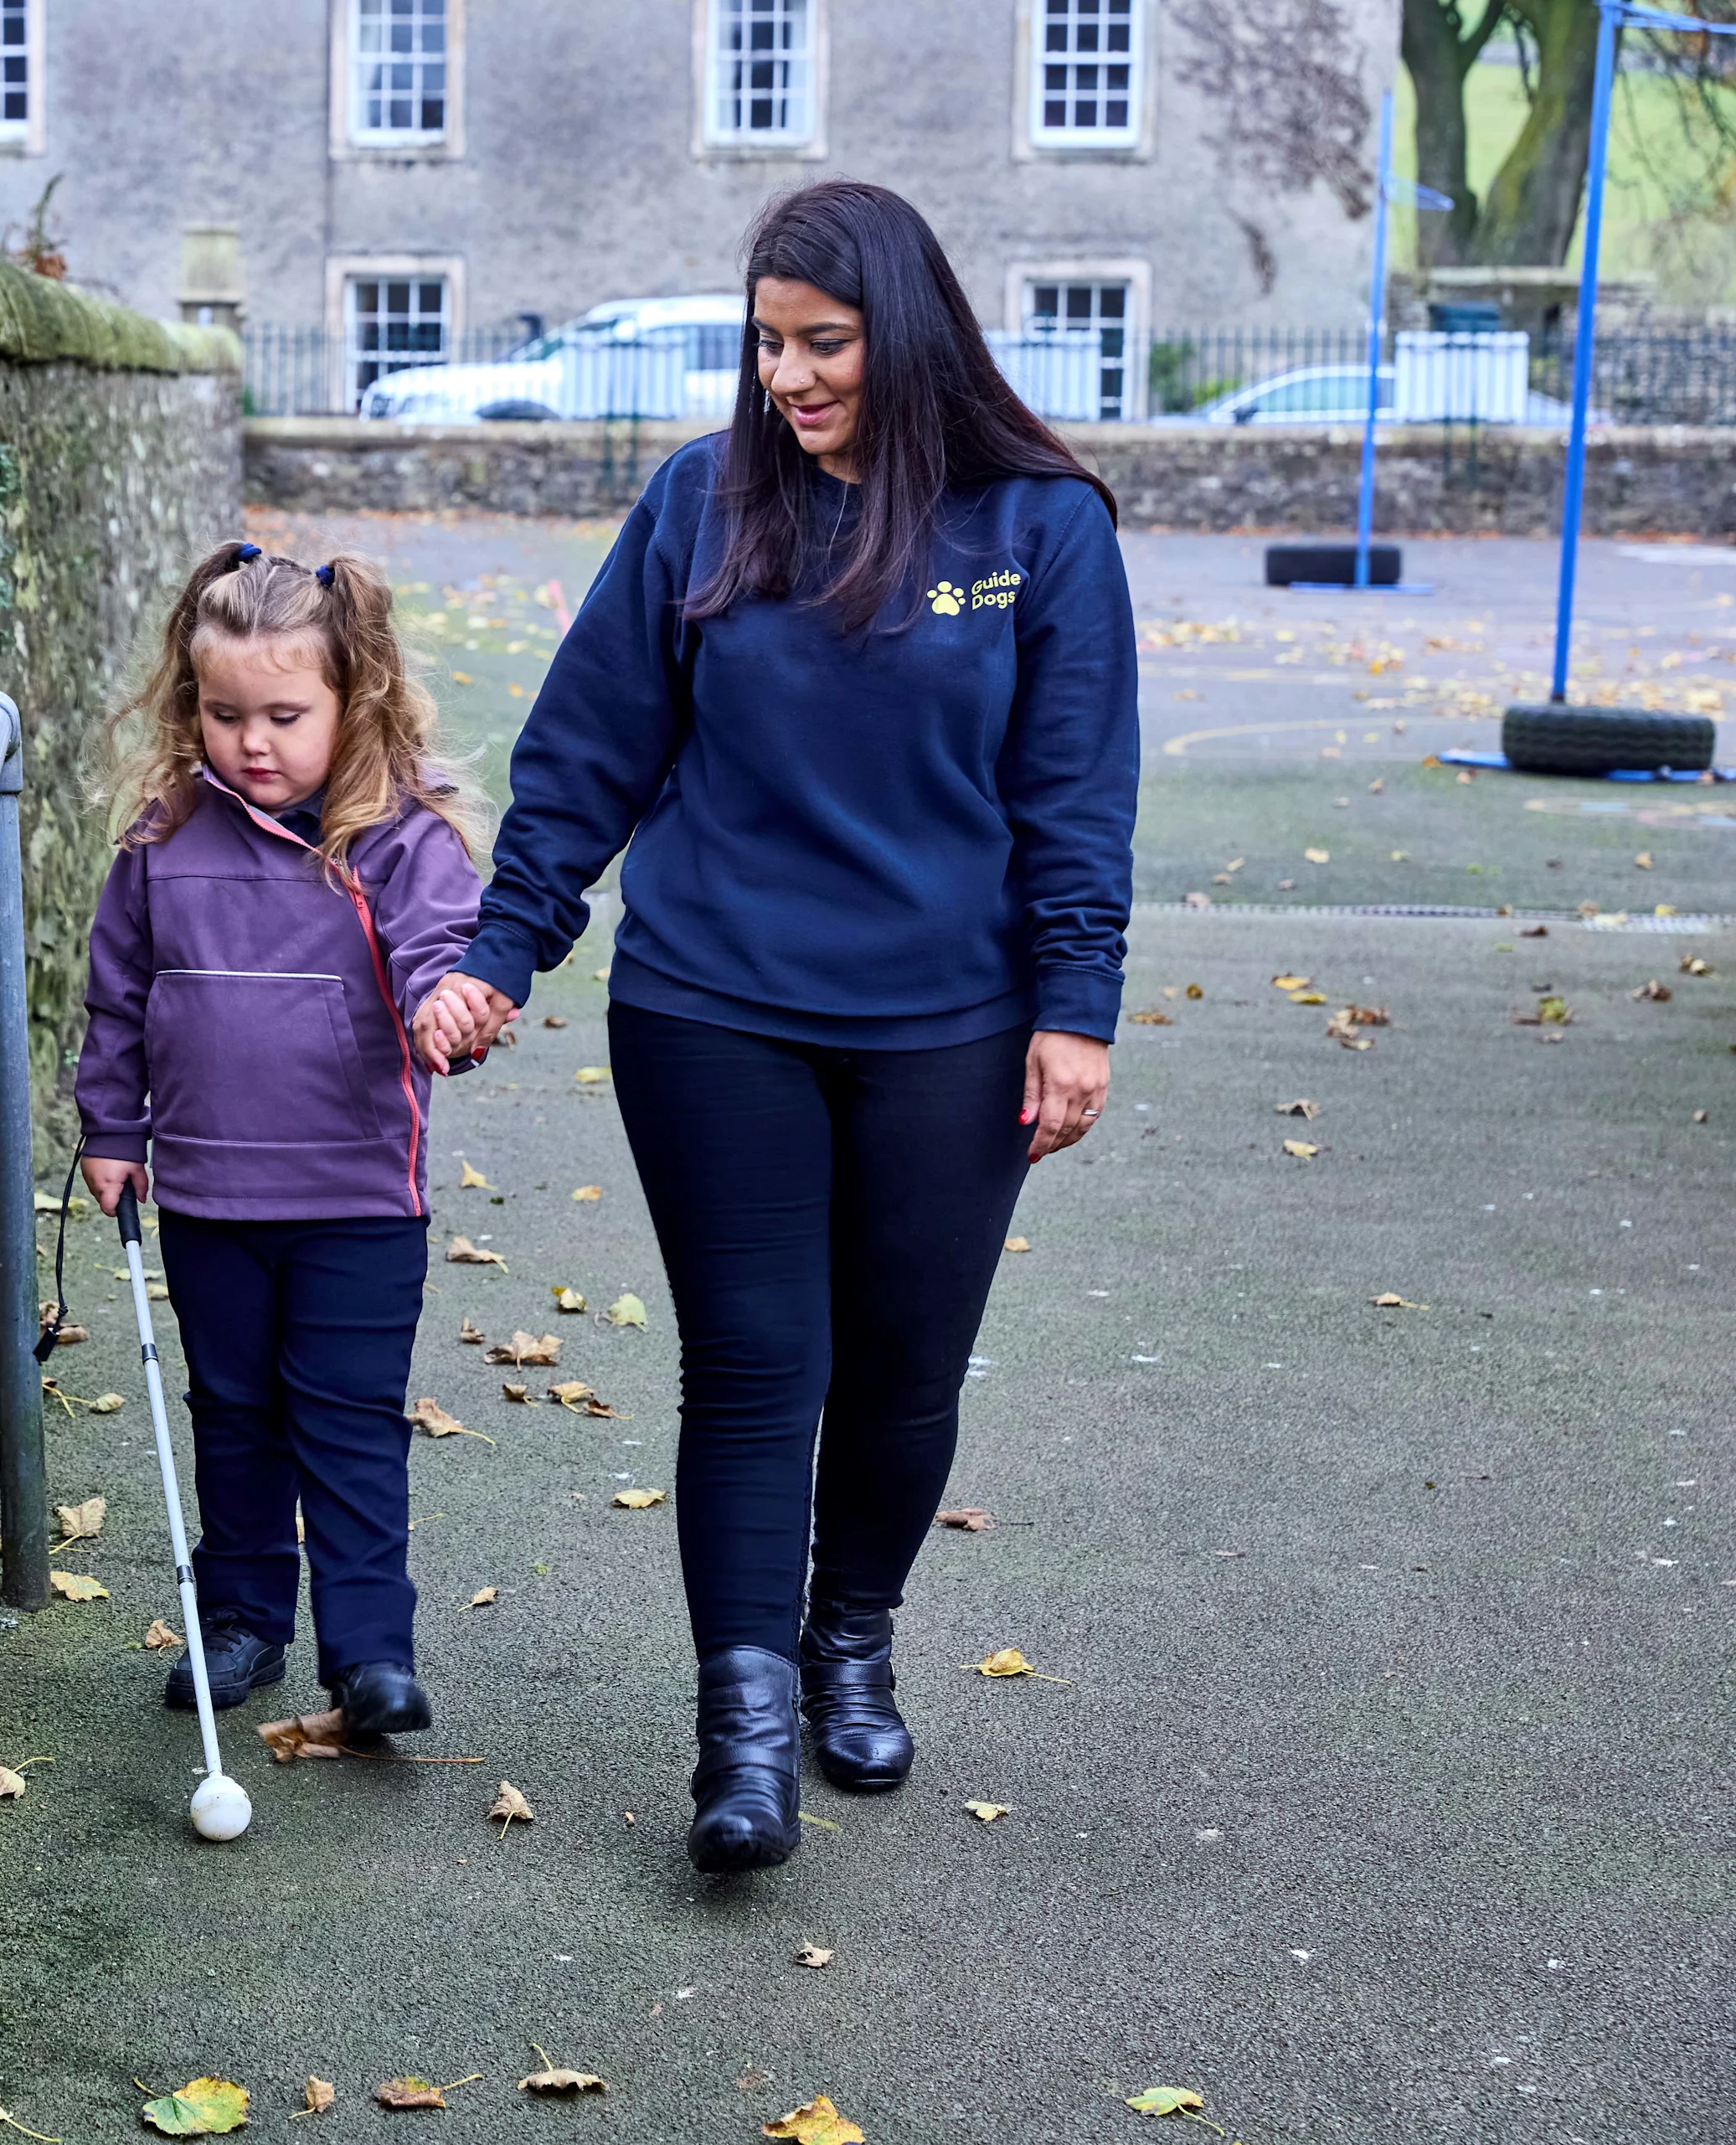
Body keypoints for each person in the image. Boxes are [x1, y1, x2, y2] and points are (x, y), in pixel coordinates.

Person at [415, 181, 1139, 1871]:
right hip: (714, 1004)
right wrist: (504, 951)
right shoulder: (700, 507)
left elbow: (1074, 794)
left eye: (822, 342)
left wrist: (1077, 1005)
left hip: (953, 1023)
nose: (787, 375)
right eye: (766, 342)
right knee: (755, 1366)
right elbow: (587, 749)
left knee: (898, 1373)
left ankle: (850, 1638)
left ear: (909, 330)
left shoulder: (1038, 527)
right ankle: (739, 1735)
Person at [78, 540, 486, 1738]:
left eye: (284, 716)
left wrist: (446, 1006)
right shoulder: (165, 838)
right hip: (209, 1197)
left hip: (357, 1196)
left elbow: (440, 956)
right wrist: (111, 1124)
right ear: (190, 704)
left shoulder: (395, 838)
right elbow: (118, 995)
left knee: (351, 1424)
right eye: (224, 714)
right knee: (236, 1413)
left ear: (354, 700)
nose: (252, 742)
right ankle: (243, 1621)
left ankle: (370, 1653)